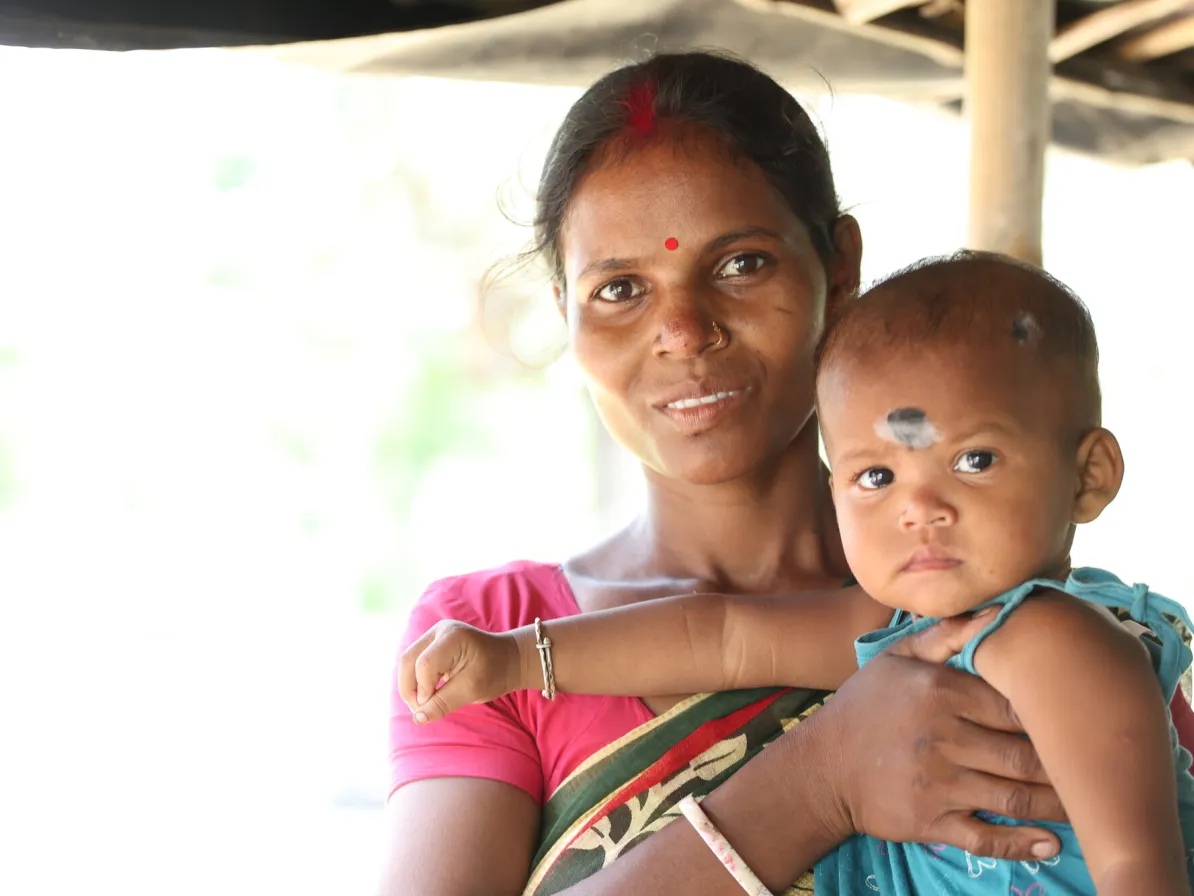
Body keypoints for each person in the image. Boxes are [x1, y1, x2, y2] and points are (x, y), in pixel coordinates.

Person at [380, 51, 1194, 896]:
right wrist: (816, 781)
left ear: (838, 266)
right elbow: (720, 637)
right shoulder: (489, 644)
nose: (685, 332)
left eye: (741, 264)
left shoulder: (996, 607)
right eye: (621, 288)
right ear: (565, 316)